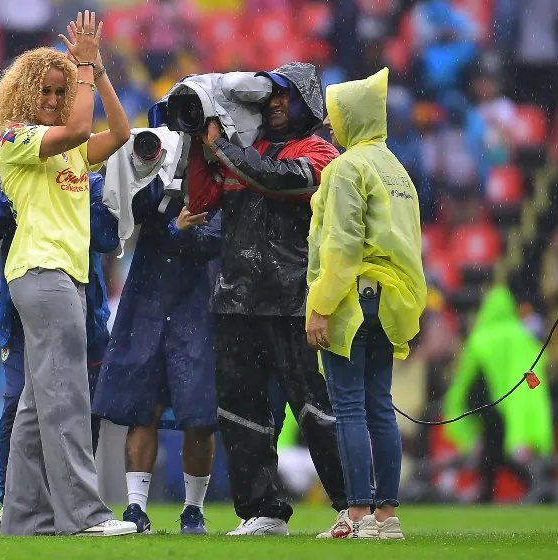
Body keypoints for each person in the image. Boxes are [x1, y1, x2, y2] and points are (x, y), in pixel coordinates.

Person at [0, 10, 135, 537]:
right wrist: (83, 72)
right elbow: (78, 125)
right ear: (24, 97)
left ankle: (24, 519)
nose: (52, 100)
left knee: (34, 404)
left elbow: (119, 131)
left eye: (58, 90)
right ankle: (85, 517)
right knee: (69, 395)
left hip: (64, 277)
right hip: (41, 272)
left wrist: (97, 68)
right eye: (44, 92)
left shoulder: (69, 152)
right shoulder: (14, 140)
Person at [187, 61, 348, 535]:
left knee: (316, 410)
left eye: (286, 95)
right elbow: (199, 201)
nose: (275, 103)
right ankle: (262, 512)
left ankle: (352, 506)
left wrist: (221, 146)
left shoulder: (321, 152)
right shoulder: (245, 150)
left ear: (309, 101)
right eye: (270, 96)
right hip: (236, 300)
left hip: (296, 301)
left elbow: (280, 180)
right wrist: (201, 143)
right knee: (240, 411)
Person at [306, 68, 427, 539]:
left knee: (350, 408)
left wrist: (320, 306)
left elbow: (341, 247)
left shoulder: (345, 168)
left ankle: (357, 516)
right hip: (390, 302)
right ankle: (386, 515)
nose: (332, 127)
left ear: (352, 117)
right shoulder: (397, 169)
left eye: (336, 117)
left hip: (354, 301)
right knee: (380, 406)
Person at [0, 170, 119, 525]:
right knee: (19, 399)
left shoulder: (85, 178)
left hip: (82, 312)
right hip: (23, 313)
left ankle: (63, 501)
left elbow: (107, 236)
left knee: (80, 408)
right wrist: (15, 195)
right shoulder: (15, 175)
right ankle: (14, 502)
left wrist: (71, 194)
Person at [91, 177, 220, 535]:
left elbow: (216, 239)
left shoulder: (221, 166)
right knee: (143, 407)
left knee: (199, 413)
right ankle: (136, 508)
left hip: (197, 300)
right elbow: (126, 213)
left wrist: (181, 231)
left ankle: (193, 511)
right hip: (149, 297)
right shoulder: (153, 164)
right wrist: (151, 171)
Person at [443, 285, 553, 504]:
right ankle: (505, 489)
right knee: (496, 454)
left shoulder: (481, 337)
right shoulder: (522, 336)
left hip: (488, 406)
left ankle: (489, 493)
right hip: (511, 406)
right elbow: (540, 366)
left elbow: (467, 375)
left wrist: (463, 401)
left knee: (493, 454)